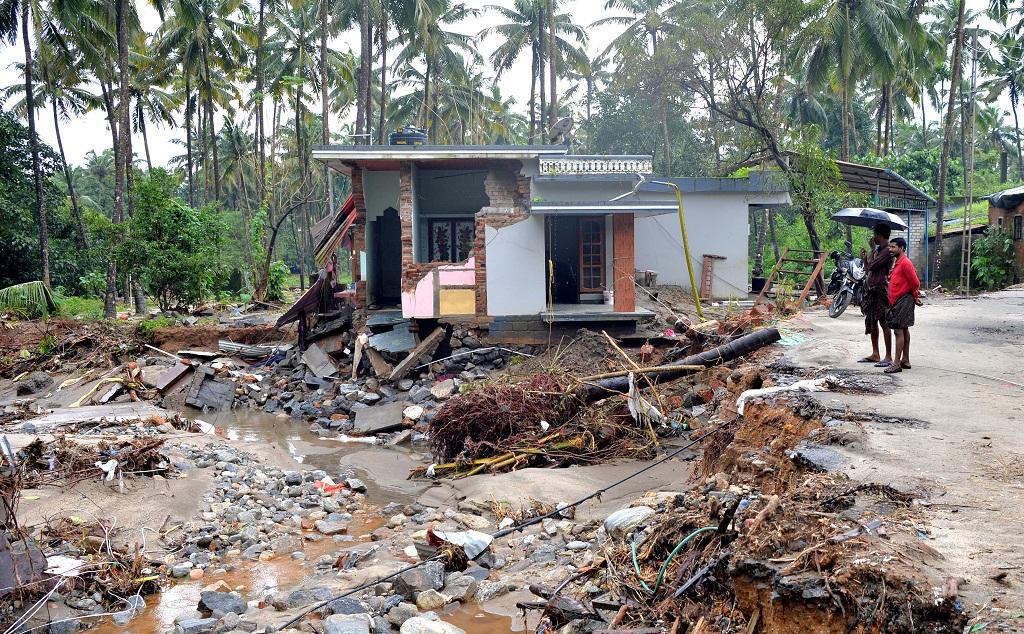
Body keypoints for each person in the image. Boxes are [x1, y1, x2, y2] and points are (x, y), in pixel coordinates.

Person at [884, 237, 922, 374]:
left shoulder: (905, 263)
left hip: (903, 300)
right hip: (899, 300)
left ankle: (896, 363)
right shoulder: (898, 263)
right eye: (890, 247)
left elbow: (915, 282)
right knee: (904, 330)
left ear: (902, 248)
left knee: (898, 331)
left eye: (893, 247)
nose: (890, 249)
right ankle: (905, 360)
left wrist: (914, 296)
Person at [858, 223, 893, 367]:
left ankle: (888, 356)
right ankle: (875, 353)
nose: (874, 238)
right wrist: (868, 255)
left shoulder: (887, 251)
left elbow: (872, 266)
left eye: (875, 235)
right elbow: (867, 268)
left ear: (880, 235)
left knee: (884, 321)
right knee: (872, 321)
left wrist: (872, 251)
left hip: (881, 289)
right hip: (872, 288)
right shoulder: (878, 251)